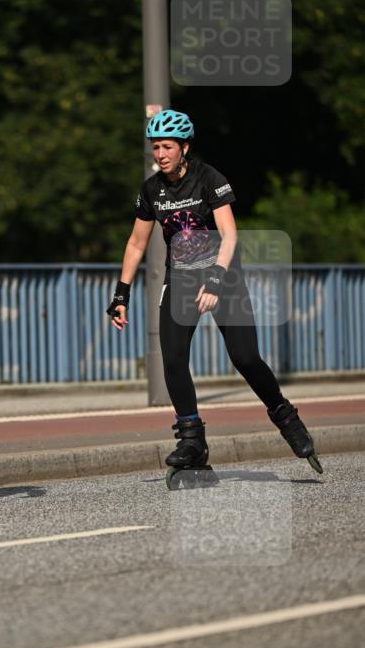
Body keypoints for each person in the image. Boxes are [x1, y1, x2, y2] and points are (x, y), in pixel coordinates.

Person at [107, 108, 322, 483]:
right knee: (173, 358)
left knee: (245, 357)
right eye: (155, 147)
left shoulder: (209, 178)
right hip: (181, 279)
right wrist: (120, 294)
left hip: (224, 275)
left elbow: (230, 234)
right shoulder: (151, 190)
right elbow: (136, 243)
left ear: (184, 147)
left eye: (168, 147)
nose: (160, 154)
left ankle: (286, 417)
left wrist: (217, 281)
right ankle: (192, 441)